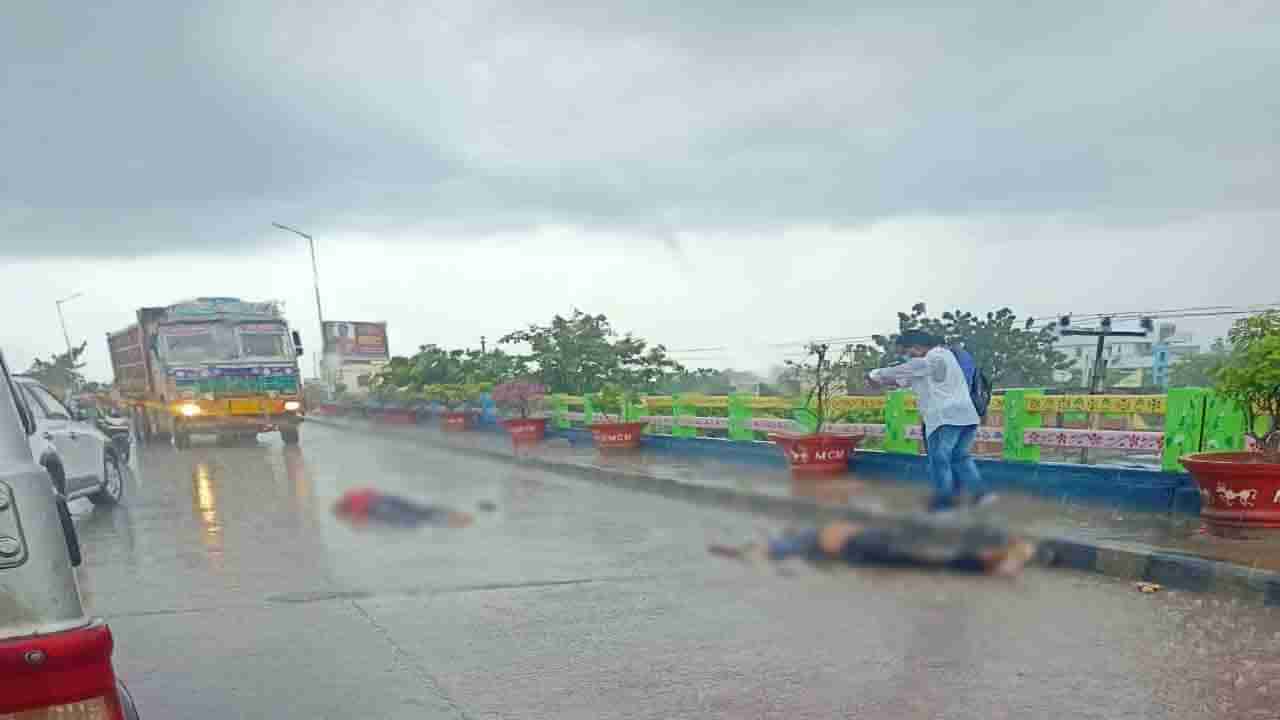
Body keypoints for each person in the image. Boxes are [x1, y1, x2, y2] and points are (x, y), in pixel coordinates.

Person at [867, 330, 993, 511]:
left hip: (945, 419)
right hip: (965, 418)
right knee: (960, 457)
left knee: (939, 462)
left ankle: (944, 503)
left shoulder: (936, 357)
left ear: (917, 346)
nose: (906, 356)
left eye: (906, 351)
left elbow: (910, 369)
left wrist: (876, 374)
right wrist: (883, 381)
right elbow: (906, 378)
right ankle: (981, 495)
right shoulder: (935, 362)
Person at [710, 522, 1036, 577]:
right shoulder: (808, 541)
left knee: (921, 555)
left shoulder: (809, 540)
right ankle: (994, 557)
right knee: (921, 556)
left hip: (860, 545)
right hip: (861, 545)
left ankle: (996, 555)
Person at [334, 488, 474, 528]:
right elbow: (370, 492)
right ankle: (456, 515)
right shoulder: (352, 495)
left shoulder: (354, 508)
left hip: (382, 507)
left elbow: (363, 519)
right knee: (422, 510)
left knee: (420, 519)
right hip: (386, 498)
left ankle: (454, 522)